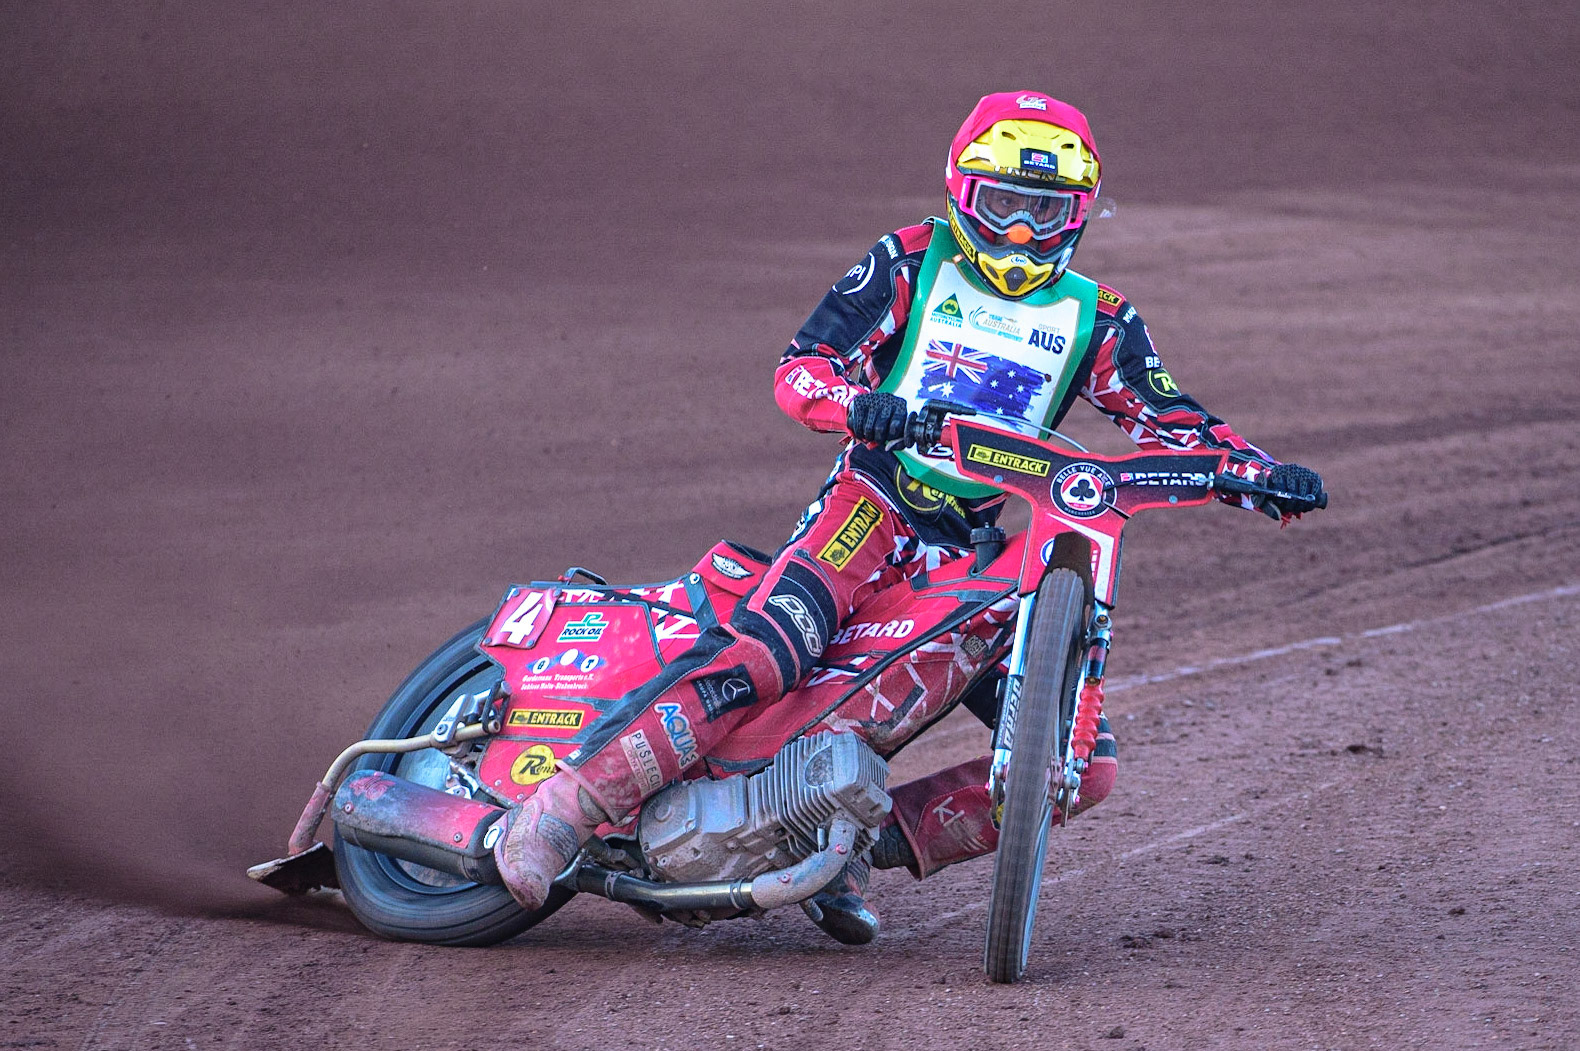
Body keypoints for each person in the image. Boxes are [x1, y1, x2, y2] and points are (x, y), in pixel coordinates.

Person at [493, 90, 1325, 942]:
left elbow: (1170, 418)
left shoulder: (1099, 316)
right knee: (771, 655)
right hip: (870, 507)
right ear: (964, 193)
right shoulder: (910, 260)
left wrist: (1254, 471)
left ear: (1077, 214)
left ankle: (842, 844)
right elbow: (801, 367)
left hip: (972, 546)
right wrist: (860, 407)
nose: (1021, 233)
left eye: (1046, 212)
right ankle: (566, 804)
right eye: (1004, 205)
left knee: (1084, 765)